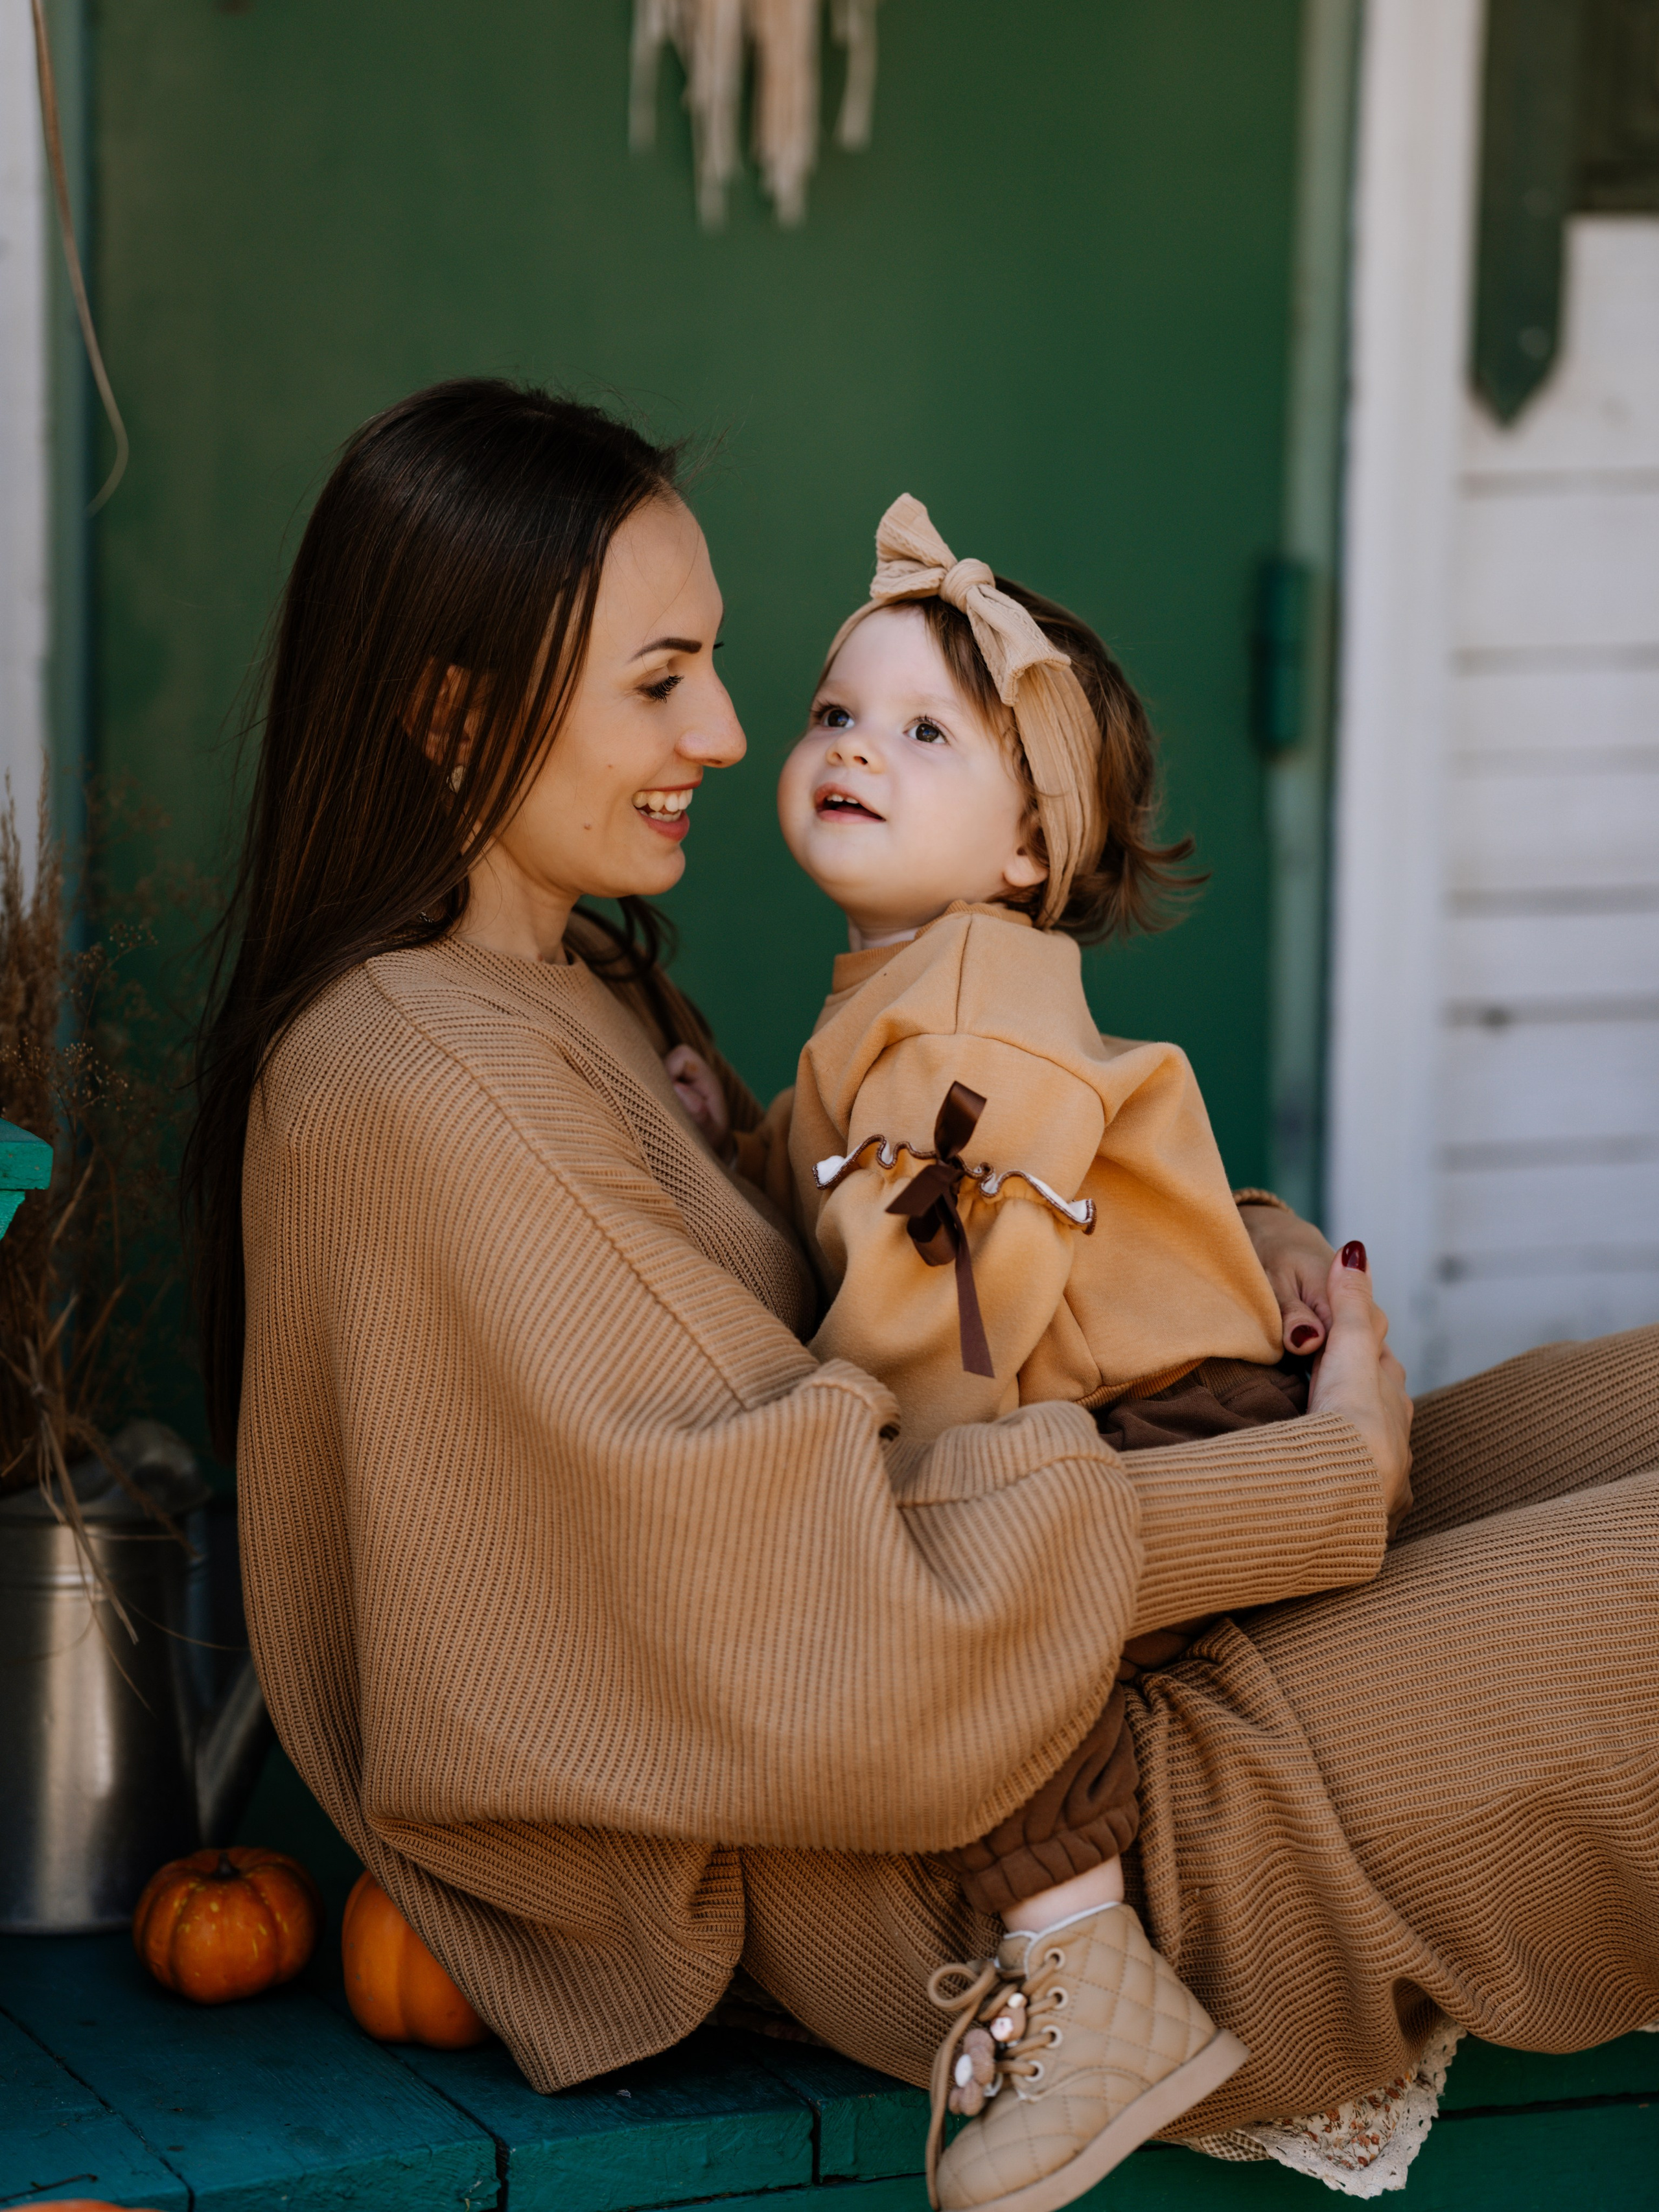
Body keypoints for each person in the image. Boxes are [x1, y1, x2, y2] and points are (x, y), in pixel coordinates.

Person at [191, 382, 1658, 2212]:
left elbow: (897, 1267)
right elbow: (825, 1597)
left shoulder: (566, 999)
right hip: (997, 1846)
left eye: (720, 668)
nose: (729, 736)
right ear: (452, 709)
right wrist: (1321, 1483)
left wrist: (1237, 1241)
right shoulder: (418, 1080)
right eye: (662, 682)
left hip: (1031, 1642)